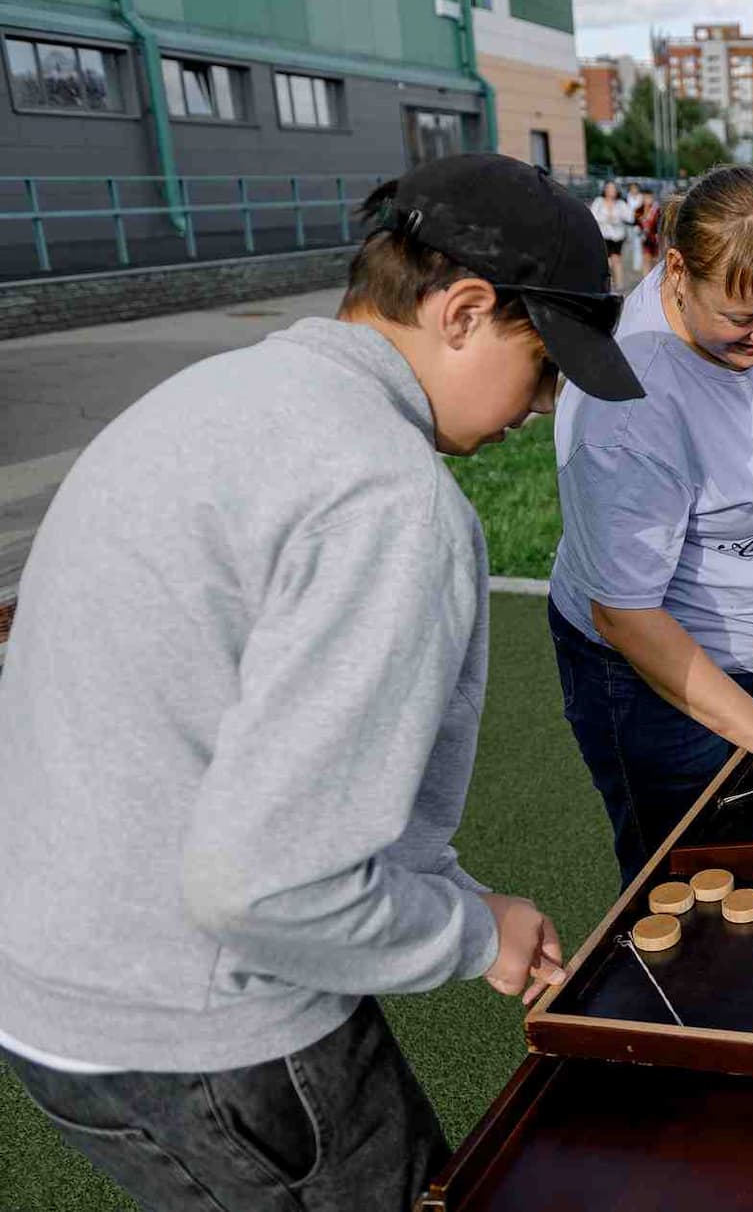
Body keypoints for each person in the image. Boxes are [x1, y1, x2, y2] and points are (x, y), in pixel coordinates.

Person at [0, 154, 644, 1210]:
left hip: (53, 993)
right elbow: (263, 886)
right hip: (197, 1025)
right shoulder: (388, 501)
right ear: (466, 310)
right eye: (545, 369)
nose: (541, 408)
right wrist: (473, 934)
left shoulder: (215, 395)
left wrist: (463, 903)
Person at [549, 163, 753, 889]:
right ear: (676, 272)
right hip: (647, 675)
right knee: (686, 883)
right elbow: (627, 615)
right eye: (742, 321)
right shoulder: (626, 406)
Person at [590, 179, 631, 289]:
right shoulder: (599, 201)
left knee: (616, 259)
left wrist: (617, 218)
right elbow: (592, 215)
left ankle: (619, 283)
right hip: (603, 235)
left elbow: (629, 217)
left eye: (613, 189)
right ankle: (608, 282)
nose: (611, 191)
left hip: (617, 236)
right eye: (609, 188)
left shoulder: (621, 203)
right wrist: (605, 219)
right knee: (606, 261)